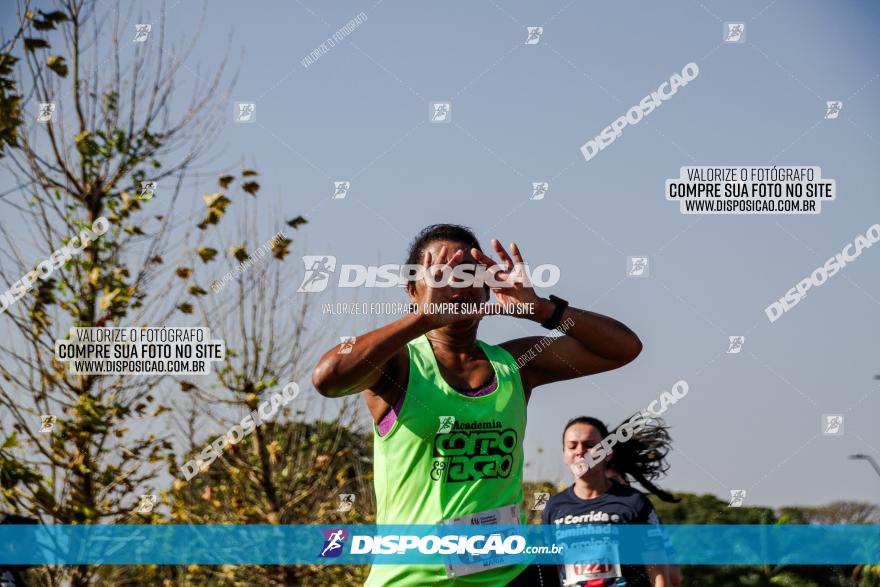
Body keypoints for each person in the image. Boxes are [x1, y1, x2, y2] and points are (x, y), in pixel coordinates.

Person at [312, 224, 643, 586]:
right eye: (440, 275)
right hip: (412, 578)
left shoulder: (516, 363)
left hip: (506, 577)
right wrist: (423, 317)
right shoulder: (398, 365)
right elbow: (328, 379)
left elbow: (623, 348)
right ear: (412, 290)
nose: (457, 284)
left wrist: (543, 310)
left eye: (469, 274)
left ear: (486, 288)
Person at [541, 416, 677, 586]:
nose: (580, 451)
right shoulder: (553, 507)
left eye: (589, 445)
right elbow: (554, 569)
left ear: (608, 453)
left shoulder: (634, 503)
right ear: (564, 455)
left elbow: (659, 575)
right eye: (572, 446)